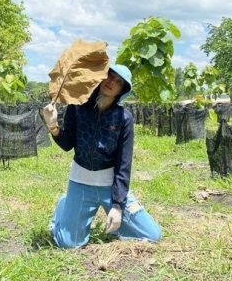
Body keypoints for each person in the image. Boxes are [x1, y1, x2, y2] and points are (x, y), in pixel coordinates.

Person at [42, 64, 162, 249]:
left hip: (110, 186)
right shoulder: (77, 106)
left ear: (122, 90)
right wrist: (53, 126)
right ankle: (65, 205)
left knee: (152, 234)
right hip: (80, 183)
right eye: (110, 76)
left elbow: (124, 164)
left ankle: (115, 212)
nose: (111, 82)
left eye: (118, 81)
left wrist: (118, 204)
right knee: (69, 243)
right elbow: (67, 145)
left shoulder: (124, 118)